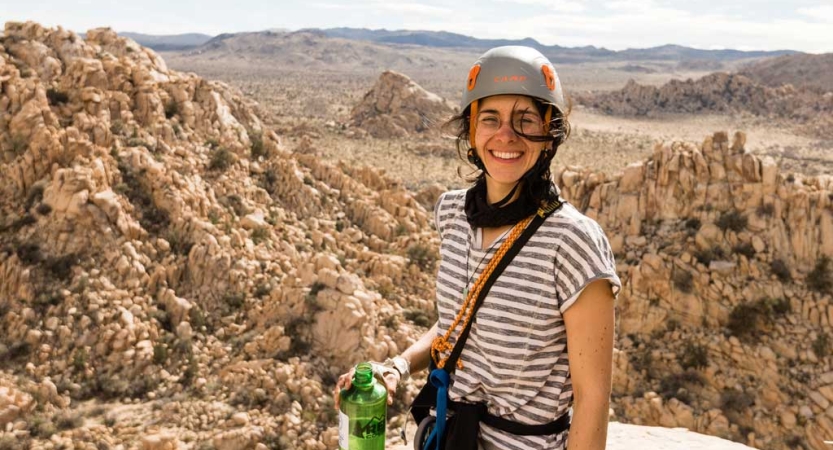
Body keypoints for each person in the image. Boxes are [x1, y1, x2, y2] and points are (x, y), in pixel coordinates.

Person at [335, 46, 621, 450]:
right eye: (491, 119)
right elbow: (460, 317)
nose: (506, 135)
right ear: (471, 130)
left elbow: (593, 399)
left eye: (525, 120)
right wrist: (397, 366)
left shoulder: (573, 242)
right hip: (448, 437)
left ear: (549, 133)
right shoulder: (452, 212)